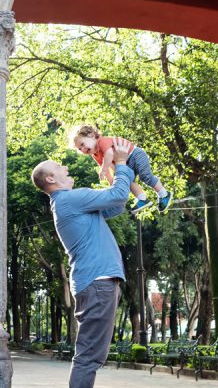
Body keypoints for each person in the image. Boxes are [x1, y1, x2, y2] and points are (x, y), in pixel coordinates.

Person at [30, 138, 133, 388]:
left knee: (90, 356)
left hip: (95, 284)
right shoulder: (71, 199)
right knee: (89, 357)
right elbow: (120, 193)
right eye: (59, 167)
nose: (66, 168)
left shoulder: (68, 203)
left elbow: (117, 204)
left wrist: (114, 174)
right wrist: (120, 163)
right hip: (98, 284)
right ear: (52, 179)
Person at [69, 124, 172, 213]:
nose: (82, 149)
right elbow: (110, 167)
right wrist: (112, 183)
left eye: (82, 144)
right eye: (79, 149)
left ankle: (164, 193)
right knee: (128, 181)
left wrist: (104, 170)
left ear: (92, 136)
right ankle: (142, 199)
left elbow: (109, 154)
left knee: (145, 176)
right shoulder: (95, 155)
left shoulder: (102, 141)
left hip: (134, 154)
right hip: (124, 163)